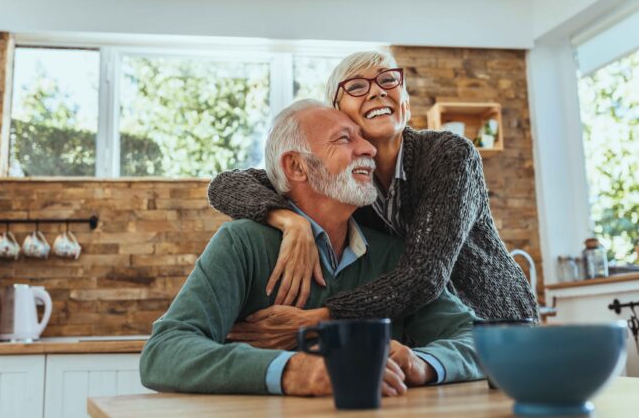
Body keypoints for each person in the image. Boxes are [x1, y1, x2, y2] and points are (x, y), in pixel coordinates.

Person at [140, 100, 483, 396]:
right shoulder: (242, 244)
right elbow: (164, 352)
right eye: (345, 139)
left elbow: (477, 340)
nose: (369, 149)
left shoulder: (393, 255)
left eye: (363, 138)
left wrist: (421, 362)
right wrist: (295, 371)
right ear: (296, 166)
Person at [207, 51, 537, 349]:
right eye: (356, 87)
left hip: (495, 325)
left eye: (388, 80)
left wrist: (319, 318)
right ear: (338, 113)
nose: (377, 90)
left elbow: (424, 276)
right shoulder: (342, 180)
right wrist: (289, 220)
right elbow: (226, 184)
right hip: (421, 338)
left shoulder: (450, 156)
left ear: (405, 102)